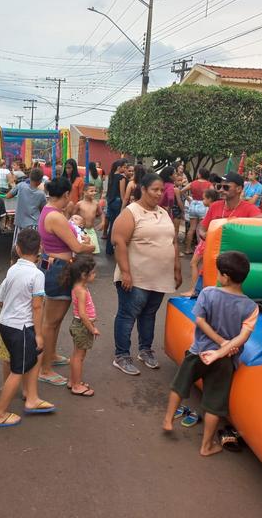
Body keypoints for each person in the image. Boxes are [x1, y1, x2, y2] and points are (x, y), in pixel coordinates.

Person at [162, 251, 259, 456]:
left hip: (198, 351)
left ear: (225, 276)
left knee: (180, 385)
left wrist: (217, 342)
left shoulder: (208, 293)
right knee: (214, 404)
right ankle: (206, 446)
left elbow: (200, 321)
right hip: (225, 361)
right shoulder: (251, 307)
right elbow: (242, 338)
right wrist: (223, 347)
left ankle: (168, 419)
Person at [111, 173, 182, 376]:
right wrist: (125, 272)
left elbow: (173, 241)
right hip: (136, 278)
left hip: (159, 277)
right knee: (127, 315)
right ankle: (122, 356)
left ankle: (145, 350)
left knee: (149, 315)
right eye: (154, 189)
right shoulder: (131, 212)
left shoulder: (163, 212)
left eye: (161, 190)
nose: (159, 193)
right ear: (143, 189)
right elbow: (119, 241)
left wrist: (176, 268)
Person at [0, 229, 56, 428]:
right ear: (40, 249)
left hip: (6, 323)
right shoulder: (36, 275)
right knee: (18, 369)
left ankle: (32, 397)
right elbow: (37, 306)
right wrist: (40, 334)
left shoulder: (12, 270)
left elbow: (1, 300)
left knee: (34, 357)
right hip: (21, 327)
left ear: (17, 249)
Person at [38, 177, 95, 386]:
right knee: (50, 322)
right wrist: (90, 246)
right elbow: (78, 248)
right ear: (65, 195)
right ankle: (44, 368)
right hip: (59, 269)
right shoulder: (55, 216)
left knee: (55, 319)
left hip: (58, 266)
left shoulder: (51, 211)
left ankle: (50, 356)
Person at [62, 254, 100, 397]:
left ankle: (73, 381)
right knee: (79, 356)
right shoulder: (81, 291)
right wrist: (92, 328)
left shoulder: (78, 286)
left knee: (76, 354)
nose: (95, 275)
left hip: (78, 325)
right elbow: (83, 314)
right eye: (93, 273)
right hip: (83, 326)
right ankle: (77, 386)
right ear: (84, 275)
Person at [197, 172, 262, 244]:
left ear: (238, 189)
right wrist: (203, 234)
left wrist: (235, 223)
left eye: (226, 187)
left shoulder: (249, 208)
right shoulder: (214, 206)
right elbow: (202, 227)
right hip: (214, 250)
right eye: (219, 187)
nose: (221, 190)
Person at [182, 187, 220, 297]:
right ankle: (198, 289)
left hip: (206, 241)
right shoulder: (215, 208)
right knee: (203, 266)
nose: (202, 201)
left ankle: (193, 289)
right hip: (209, 241)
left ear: (210, 199)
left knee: (194, 263)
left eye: (204, 199)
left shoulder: (212, 209)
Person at [5, 167, 47, 250]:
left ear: (30, 177)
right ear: (40, 181)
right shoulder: (41, 194)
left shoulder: (21, 186)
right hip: (33, 225)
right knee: (31, 250)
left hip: (20, 224)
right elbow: (43, 210)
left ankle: (14, 262)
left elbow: (8, 196)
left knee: (17, 249)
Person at [181, 168, 213, 255]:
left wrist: (189, 199)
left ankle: (187, 249)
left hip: (193, 204)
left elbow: (182, 191)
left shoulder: (193, 183)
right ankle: (200, 250)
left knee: (192, 228)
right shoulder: (209, 184)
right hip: (204, 204)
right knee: (201, 228)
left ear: (199, 174)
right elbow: (213, 195)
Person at [104, 158, 129, 255]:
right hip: (118, 203)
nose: (126, 169)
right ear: (119, 167)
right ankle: (112, 249)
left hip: (111, 202)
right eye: (125, 167)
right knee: (116, 227)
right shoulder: (121, 178)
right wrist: (124, 206)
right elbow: (122, 195)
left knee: (112, 225)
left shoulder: (112, 176)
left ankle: (109, 249)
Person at [74, 183, 103, 254]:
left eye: (95, 191)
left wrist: (103, 222)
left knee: (92, 250)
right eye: (91, 191)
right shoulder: (79, 204)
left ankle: (89, 264)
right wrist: (75, 225)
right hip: (81, 231)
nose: (94, 193)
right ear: (84, 192)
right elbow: (73, 215)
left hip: (91, 231)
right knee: (82, 251)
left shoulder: (96, 204)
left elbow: (101, 213)